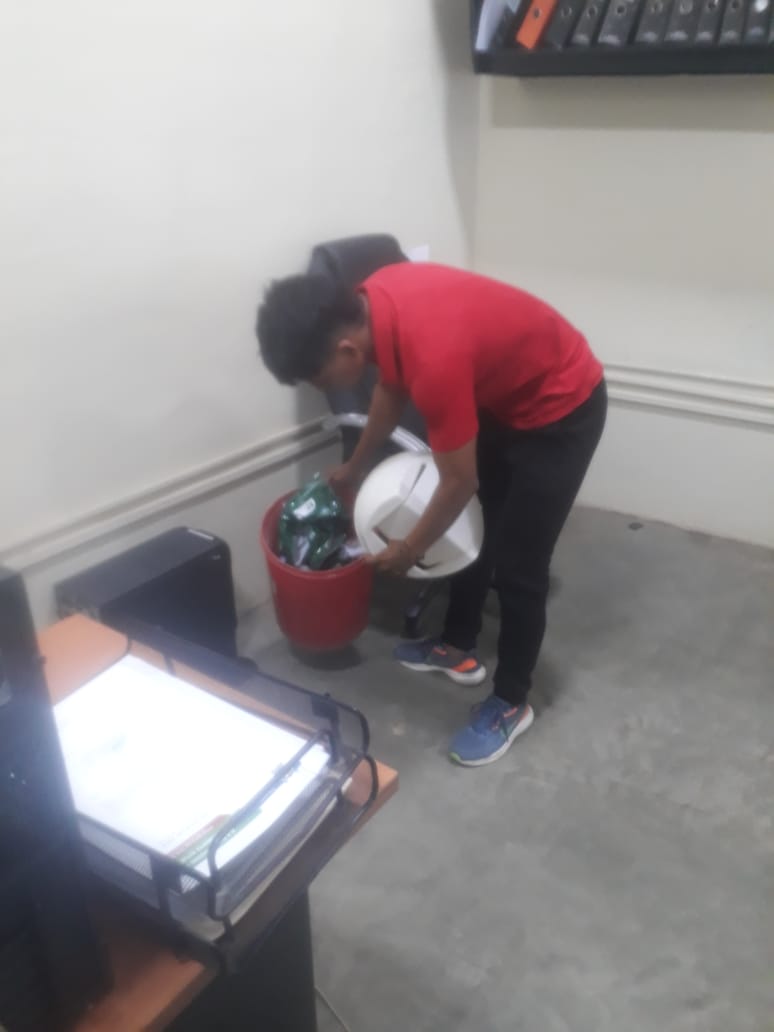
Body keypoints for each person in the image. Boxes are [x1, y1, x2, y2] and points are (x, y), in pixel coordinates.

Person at [256, 262, 607, 767]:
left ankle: (511, 702)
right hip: (507, 399)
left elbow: (458, 482)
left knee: (519, 566)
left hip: (564, 406)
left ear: (346, 351)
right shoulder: (375, 299)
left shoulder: (433, 355)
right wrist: (355, 466)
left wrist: (408, 550)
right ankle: (457, 646)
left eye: (318, 378)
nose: (320, 387)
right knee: (477, 527)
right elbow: (390, 390)